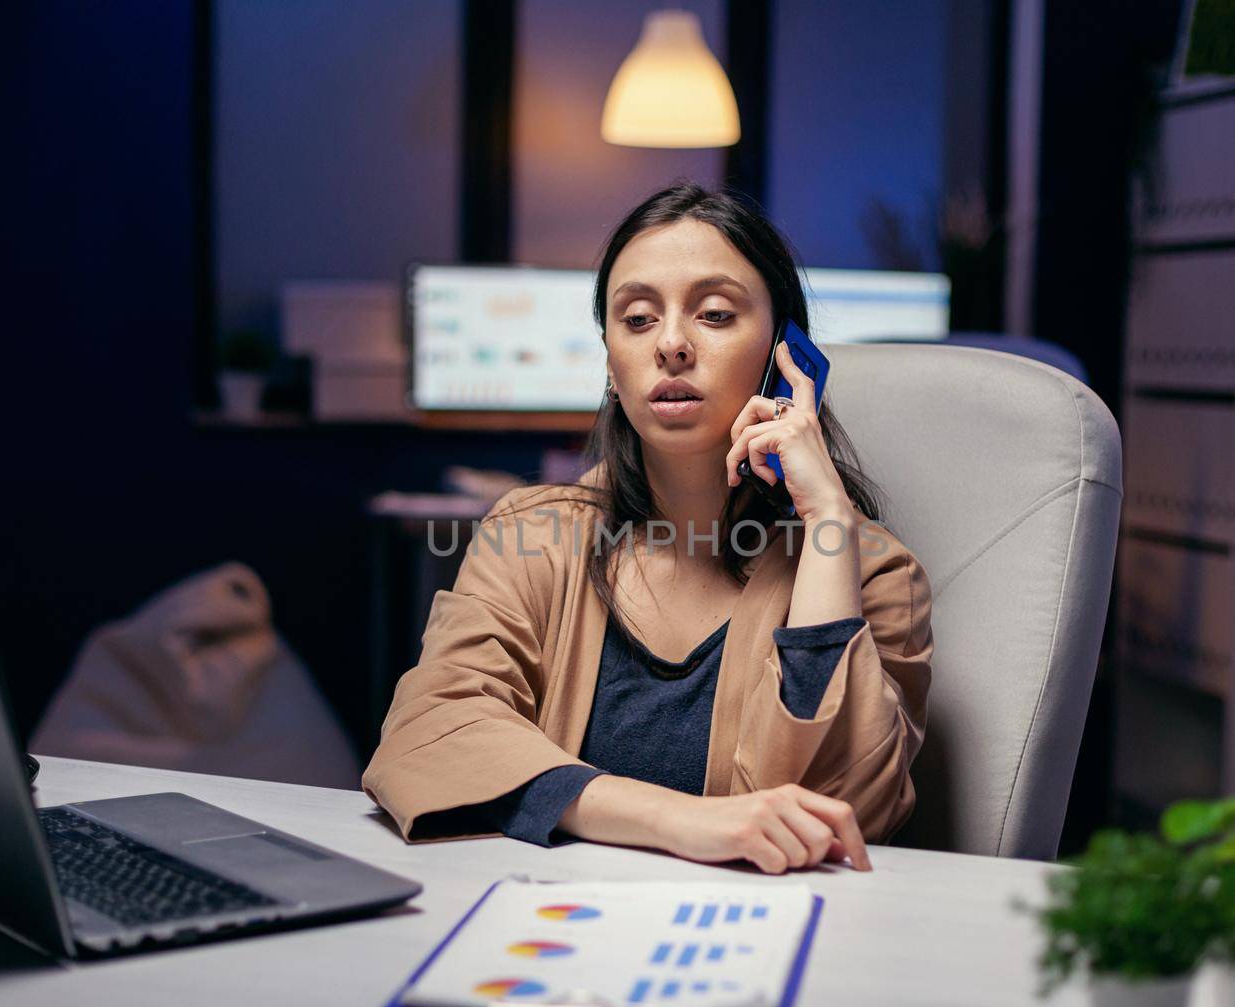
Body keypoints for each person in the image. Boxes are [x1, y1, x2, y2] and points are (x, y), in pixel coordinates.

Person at [362, 182, 933, 874]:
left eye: (716, 314)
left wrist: (827, 523)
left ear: (786, 354)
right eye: (635, 319)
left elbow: (838, 817)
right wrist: (678, 819)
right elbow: (429, 735)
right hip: (546, 933)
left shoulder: (870, 572)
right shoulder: (531, 536)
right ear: (610, 364)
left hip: (762, 945)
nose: (670, 344)